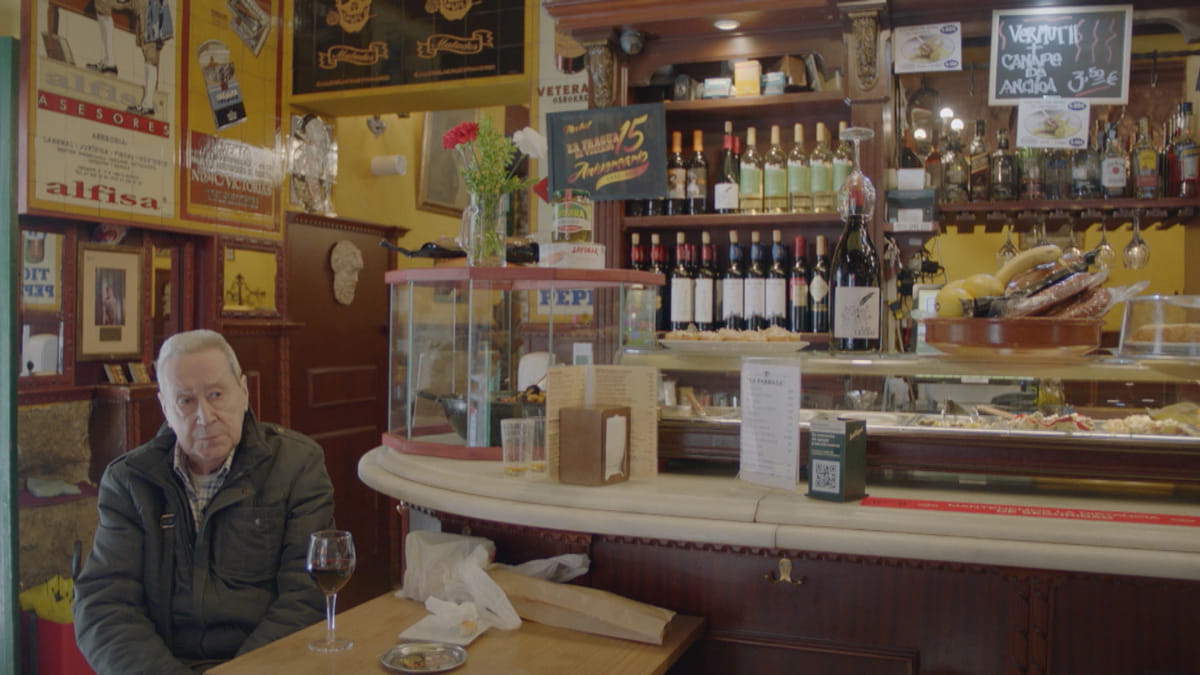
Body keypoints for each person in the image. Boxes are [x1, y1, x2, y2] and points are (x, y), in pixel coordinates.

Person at [74, 329, 336, 673]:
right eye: (186, 401)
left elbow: (306, 597)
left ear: (243, 393)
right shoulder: (130, 481)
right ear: (165, 407)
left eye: (216, 394)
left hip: (266, 666)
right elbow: (105, 606)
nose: (205, 416)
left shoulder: (297, 466)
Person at [86, 0, 173, 115]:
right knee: (102, 3)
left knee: (149, 50)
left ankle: (147, 104)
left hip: (150, 6)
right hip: (148, 6)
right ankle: (109, 62)